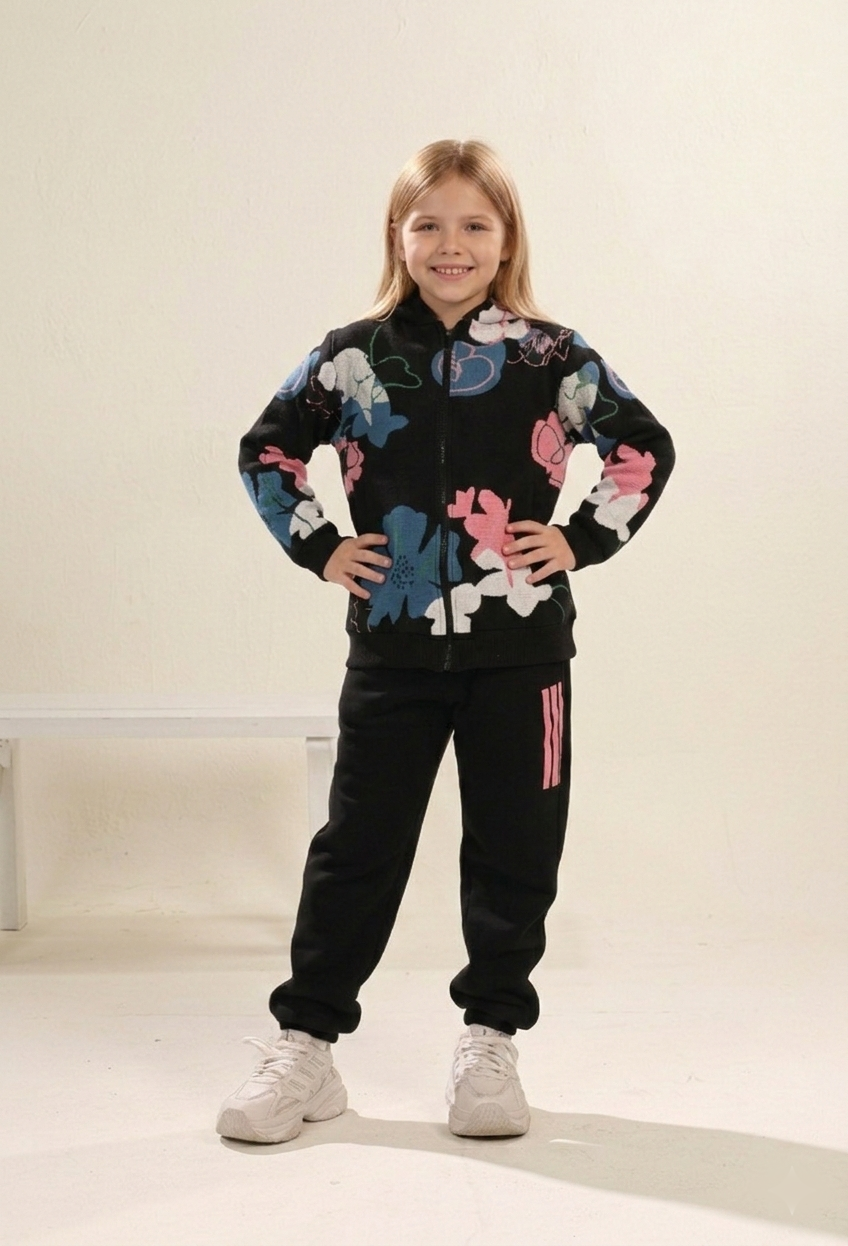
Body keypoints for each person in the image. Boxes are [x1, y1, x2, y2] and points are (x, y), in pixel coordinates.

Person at [218, 139, 675, 1144]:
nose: (450, 244)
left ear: (506, 238)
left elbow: (642, 447)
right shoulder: (352, 354)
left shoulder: (550, 356)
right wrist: (322, 547)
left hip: (524, 653)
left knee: (516, 846)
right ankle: (306, 1045)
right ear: (398, 235)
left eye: (474, 224)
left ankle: (490, 1041)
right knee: (356, 847)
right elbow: (267, 450)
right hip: (392, 650)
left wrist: (579, 537)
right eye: (428, 224)